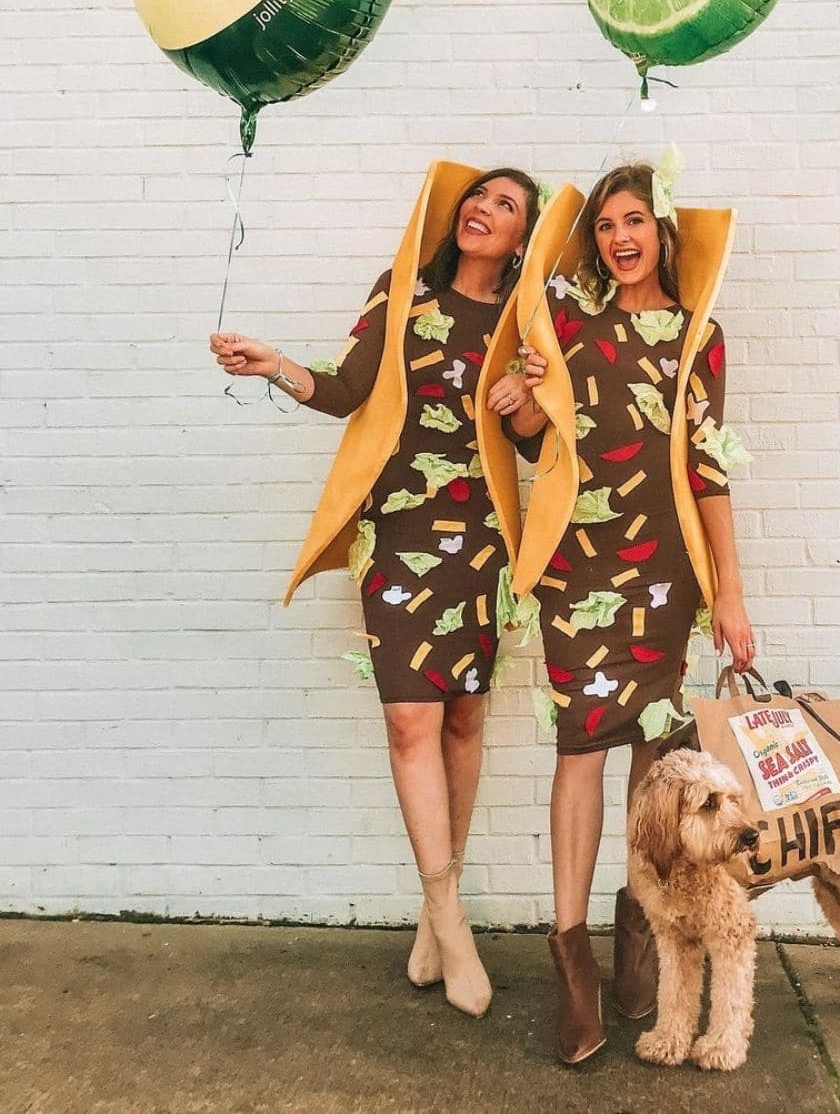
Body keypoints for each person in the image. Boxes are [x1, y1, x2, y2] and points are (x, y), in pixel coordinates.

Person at [210, 163, 546, 1019]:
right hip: (397, 535)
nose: (484, 208)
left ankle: (438, 914)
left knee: (465, 718)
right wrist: (275, 365)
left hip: (482, 539)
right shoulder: (399, 292)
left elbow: (540, 447)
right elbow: (349, 391)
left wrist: (529, 395)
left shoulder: (526, 318)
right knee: (410, 720)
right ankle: (450, 917)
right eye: (480, 197)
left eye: (506, 205)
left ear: (520, 238)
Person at [496, 157, 755, 1063]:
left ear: (663, 231)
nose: (619, 237)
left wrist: (729, 589)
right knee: (579, 750)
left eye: (635, 220)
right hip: (578, 565)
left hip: (666, 573)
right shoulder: (565, 322)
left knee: (656, 765)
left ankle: (643, 937)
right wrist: (519, 407)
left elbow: (708, 464)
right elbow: (535, 436)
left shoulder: (698, 338)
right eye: (606, 225)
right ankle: (573, 971)